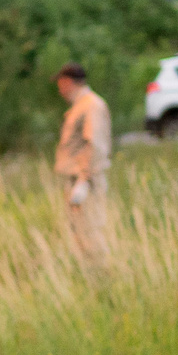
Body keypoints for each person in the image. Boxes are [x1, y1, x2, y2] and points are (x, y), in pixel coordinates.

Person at [53, 63, 113, 255]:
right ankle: (88, 268)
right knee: (79, 231)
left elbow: (96, 144)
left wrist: (84, 180)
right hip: (78, 180)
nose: (59, 90)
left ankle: (101, 268)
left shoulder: (91, 105)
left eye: (60, 84)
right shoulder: (81, 105)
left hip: (87, 182)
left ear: (67, 82)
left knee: (91, 229)